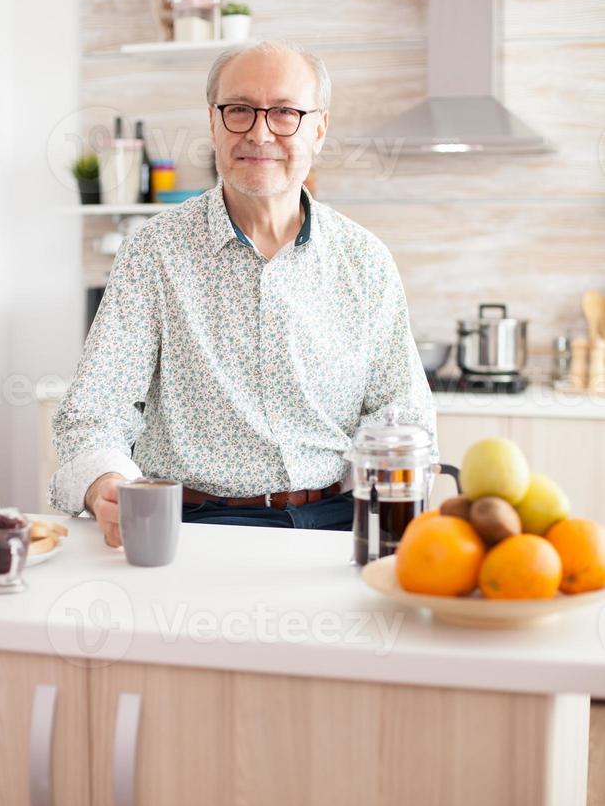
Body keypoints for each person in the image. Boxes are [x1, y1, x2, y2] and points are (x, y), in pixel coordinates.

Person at [49, 39, 436, 547]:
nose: (259, 132)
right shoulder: (155, 252)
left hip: (339, 525)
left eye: (284, 113)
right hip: (195, 527)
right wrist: (106, 482)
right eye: (239, 110)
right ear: (212, 122)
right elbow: (93, 412)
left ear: (319, 129)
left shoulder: (364, 260)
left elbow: (404, 414)